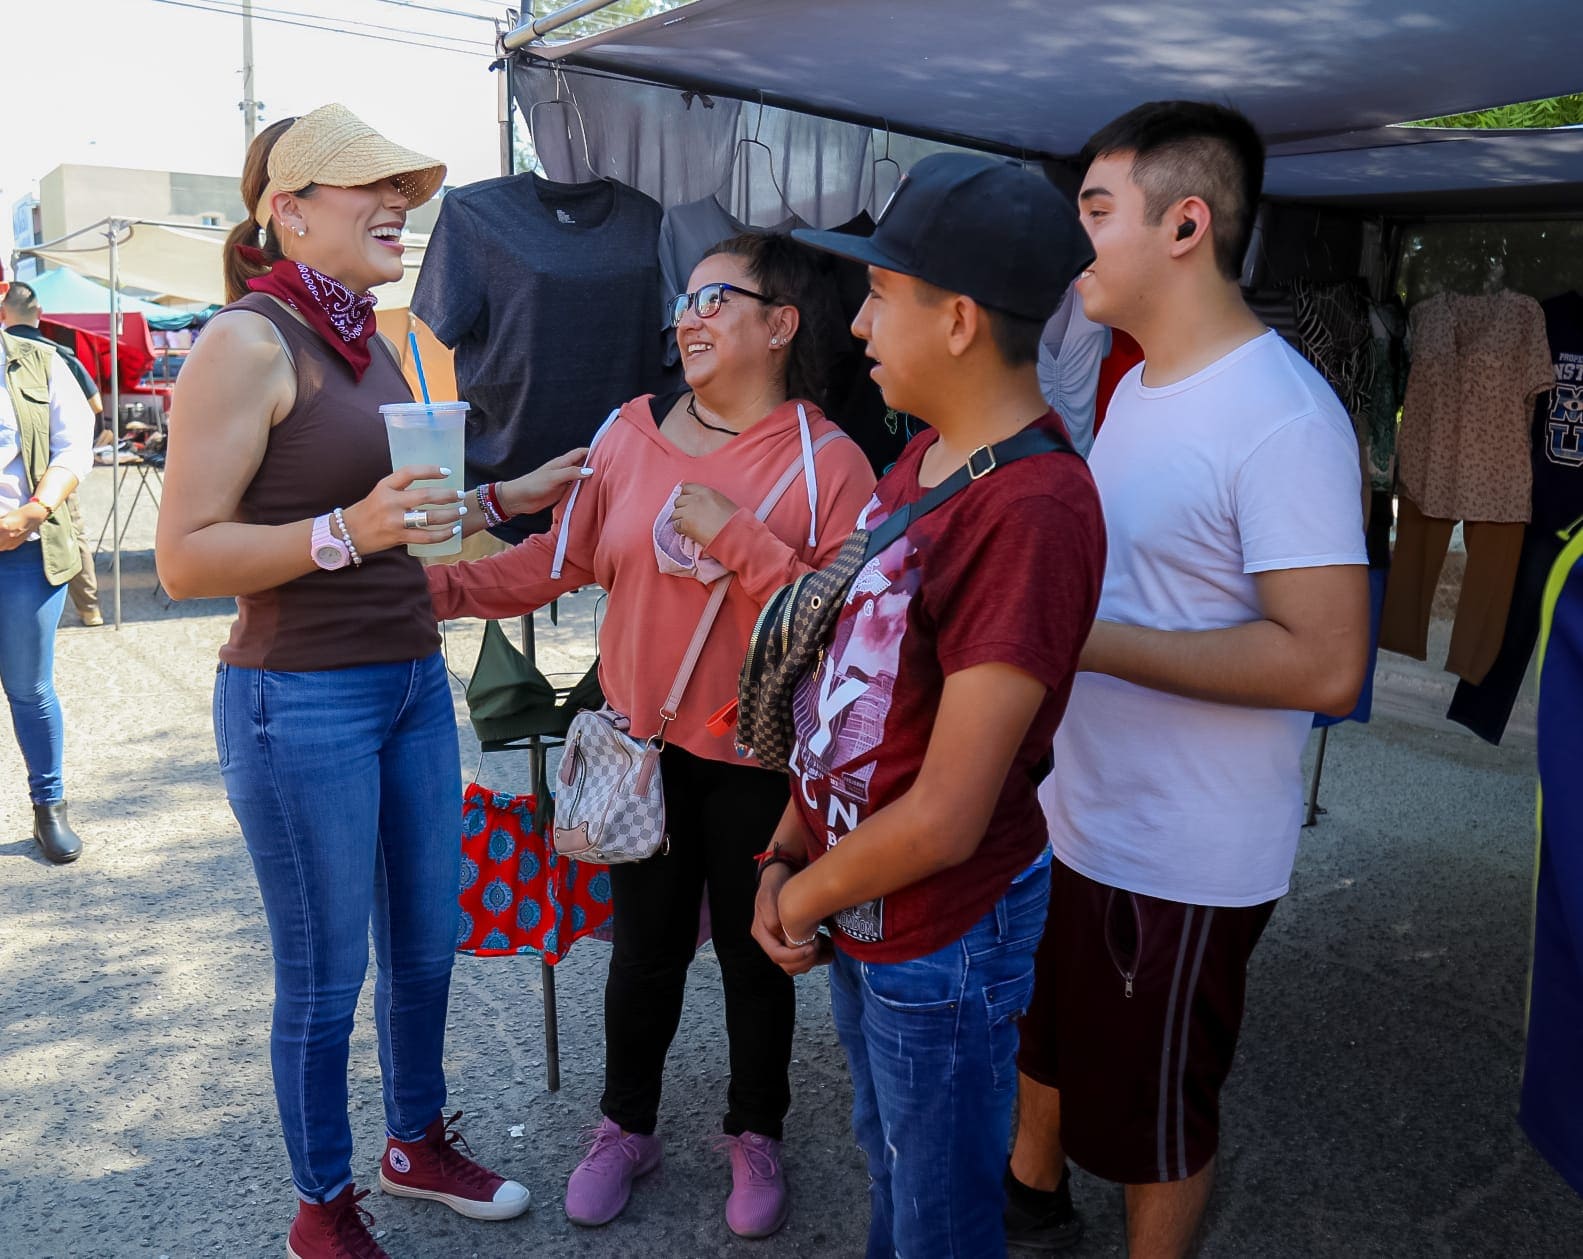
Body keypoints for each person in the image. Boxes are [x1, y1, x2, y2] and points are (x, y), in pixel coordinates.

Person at [155, 105, 580, 1259]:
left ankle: (414, 1140)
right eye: (366, 187)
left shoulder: (368, 336)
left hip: (405, 680)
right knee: (324, 972)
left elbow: (410, 526)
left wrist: (504, 499)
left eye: (402, 184)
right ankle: (321, 1205)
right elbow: (187, 556)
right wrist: (343, 528)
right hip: (300, 698)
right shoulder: (247, 341)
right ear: (285, 211)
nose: (398, 202)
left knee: (425, 943)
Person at [427, 232, 876, 1239]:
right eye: (687, 297)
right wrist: (436, 588)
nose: (691, 313)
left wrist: (741, 538)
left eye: (719, 297)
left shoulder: (829, 460)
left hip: (762, 759)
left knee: (762, 955)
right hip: (640, 754)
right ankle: (624, 1126)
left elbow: (843, 624)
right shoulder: (628, 431)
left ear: (780, 323)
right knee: (642, 955)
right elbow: (558, 558)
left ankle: (755, 1132)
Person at [1004, 101, 1371, 1259]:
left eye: (1097, 213)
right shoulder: (1139, 389)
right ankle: (1029, 1192)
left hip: (1179, 855)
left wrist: (1077, 636)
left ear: (1185, 225)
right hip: (1084, 819)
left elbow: (1324, 660)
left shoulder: (1280, 415)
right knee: (1051, 1039)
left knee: (1155, 1111)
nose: (1080, 244)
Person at [750, 153, 1106, 1258]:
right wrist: (784, 848)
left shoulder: (1035, 505)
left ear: (956, 320)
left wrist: (801, 893)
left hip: (939, 926)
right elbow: (854, 688)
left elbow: (949, 812)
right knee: (891, 1155)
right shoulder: (927, 460)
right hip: (866, 895)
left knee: (941, 1208)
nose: (856, 325)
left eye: (879, 296)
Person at [1, 284, 94, 863]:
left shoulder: (41, 360)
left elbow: (74, 444)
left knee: (28, 686)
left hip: (27, 548)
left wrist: (34, 510)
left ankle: (49, 806)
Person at [2, 281, 105, 626]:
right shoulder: (62, 354)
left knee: (66, 534)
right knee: (74, 535)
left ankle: (89, 607)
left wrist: (40, 504)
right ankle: (90, 608)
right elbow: (96, 405)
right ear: (40, 314)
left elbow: (75, 440)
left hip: (43, 492)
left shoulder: (48, 359)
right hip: (46, 485)